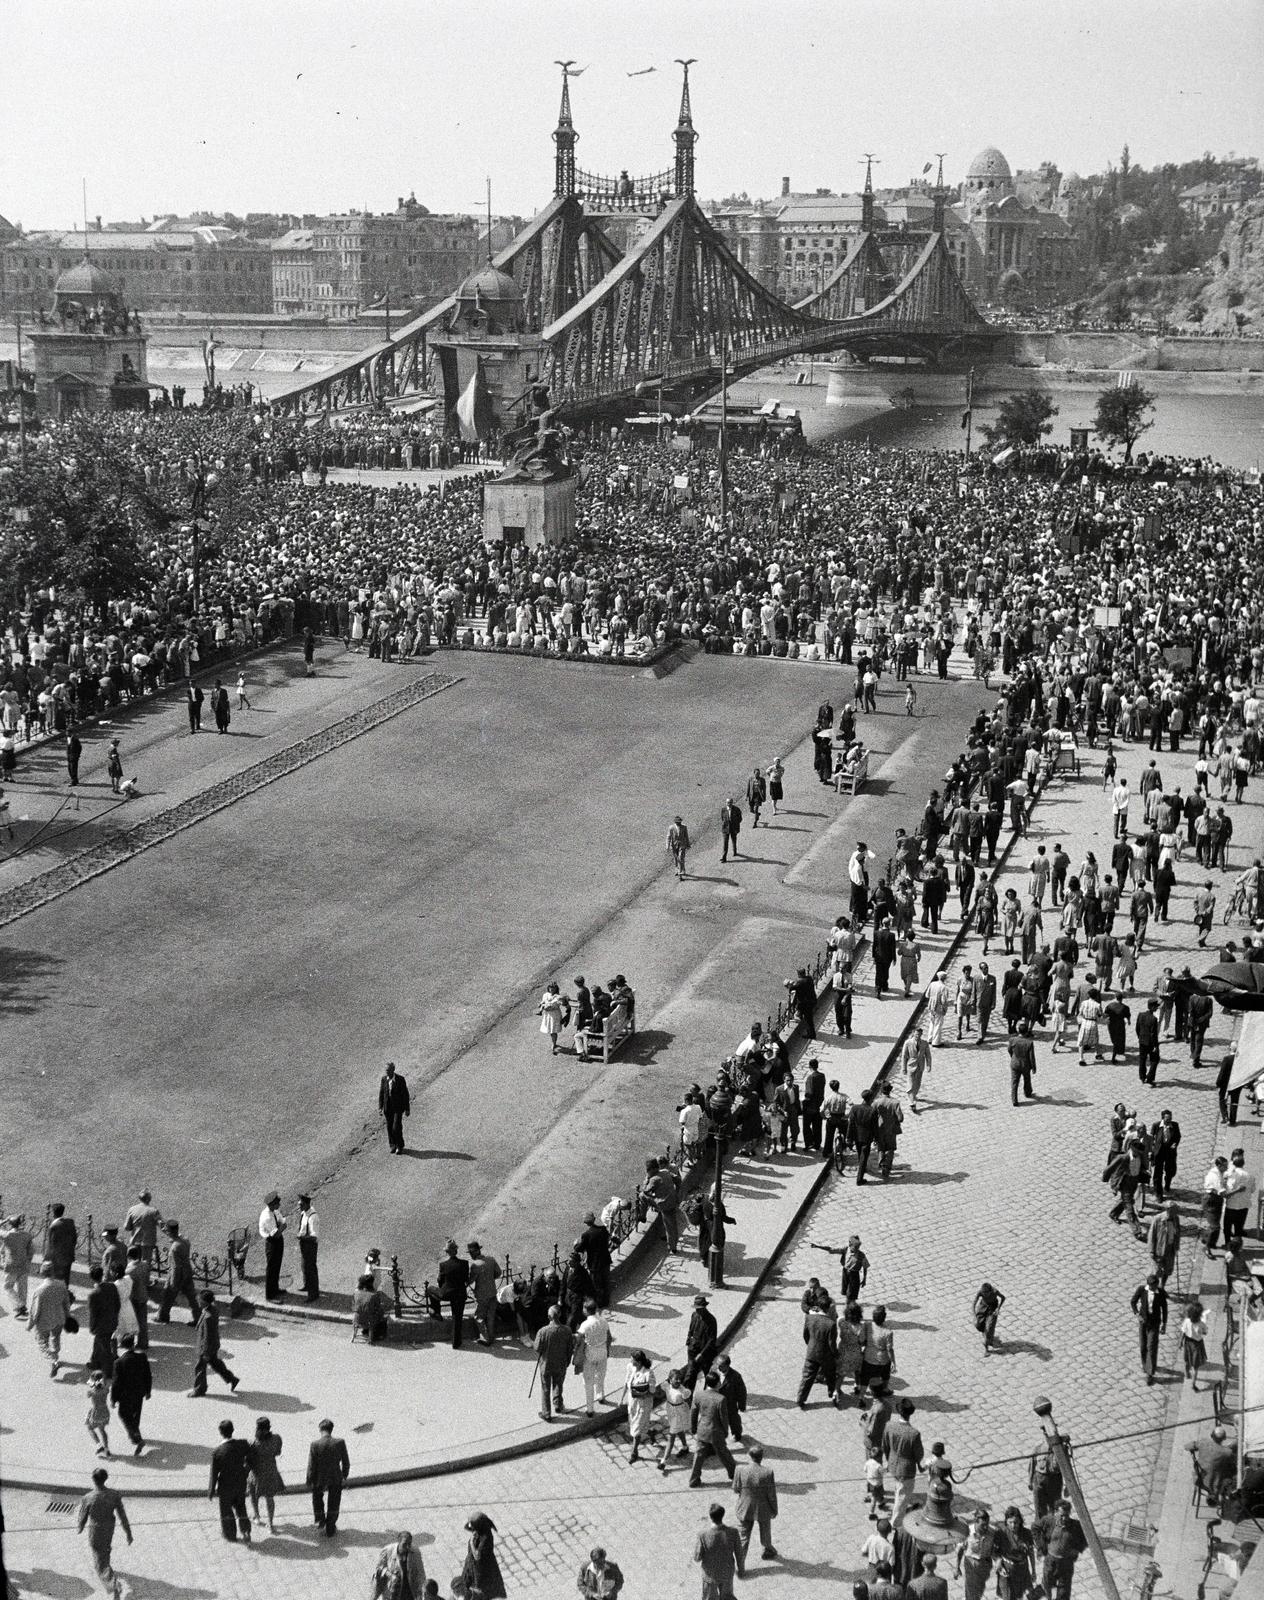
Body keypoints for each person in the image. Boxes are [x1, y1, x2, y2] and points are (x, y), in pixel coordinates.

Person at [77, 1468, 132, 1595]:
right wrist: (128, 1533)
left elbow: (82, 1517)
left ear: (93, 1479)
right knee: (105, 1550)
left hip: (95, 1531)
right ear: (106, 1479)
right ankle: (108, 1571)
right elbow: (122, 1516)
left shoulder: (88, 1497)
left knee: (98, 1561)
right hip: (108, 1529)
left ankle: (113, 1584)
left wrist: (80, 1527)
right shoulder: (114, 1495)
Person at [209, 1418, 254, 1543]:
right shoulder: (242, 1444)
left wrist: (211, 1490)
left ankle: (230, 1534)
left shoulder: (217, 1452)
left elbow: (214, 1473)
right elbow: (252, 1454)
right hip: (240, 1483)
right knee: (241, 1507)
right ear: (233, 1430)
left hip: (225, 1487)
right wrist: (246, 1470)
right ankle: (246, 1531)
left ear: (220, 1432)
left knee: (226, 1511)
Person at [690, 1369, 737, 1487]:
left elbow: (693, 1412)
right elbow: (724, 1418)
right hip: (716, 1432)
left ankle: (693, 1480)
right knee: (724, 1454)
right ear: (717, 1384)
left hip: (702, 1430)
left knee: (698, 1456)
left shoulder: (698, 1395)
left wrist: (693, 1428)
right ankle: (734, 1474)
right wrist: (725, 1432)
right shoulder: (720, 1399)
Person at [883, 1398, 925, 1529]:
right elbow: (919, 1454)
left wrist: (889, 1459)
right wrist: (918, 1463)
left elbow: (885, 1445)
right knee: (901, 1499)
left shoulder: (889, 1426)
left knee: (899, 1489)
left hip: (893, 1463)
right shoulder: (914, 1434)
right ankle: (895, 1524)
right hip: (906, 1470)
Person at [732, 1442, 779, 1561]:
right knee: (765, 1531)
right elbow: (771, 1494)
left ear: (749, 1455)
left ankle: (739, 1562)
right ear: (761, 1457)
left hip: (745, 1507)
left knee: (743, 1537)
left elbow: (736, 1489)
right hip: (763, 1508)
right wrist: (774, 1510)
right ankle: (767, 1550)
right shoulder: (767, 1472)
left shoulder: (740, 1469)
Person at [1033, 1501, 1087, 1600]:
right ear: (1056, 1512)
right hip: (1050, 1560)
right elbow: (1035, 1528)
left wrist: (1077, 1549)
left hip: (1066, 1562)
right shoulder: (1048, 1521)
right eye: (1062, 1515)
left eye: (1067, 1515)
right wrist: (1041, 1545)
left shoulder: (1075, 1525)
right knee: (1047, 1584)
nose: (1064, 1518)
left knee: (1064, 1590)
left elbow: (1086, 1538)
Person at [306, 1417, 350, 1537]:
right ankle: (331, 1526)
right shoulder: (340, 1442)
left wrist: (309, 1479)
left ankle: (320, 1520)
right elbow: (346, 1461)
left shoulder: (315, 1444)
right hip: (335, 1476)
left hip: (319, 1477)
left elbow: (311, 1464)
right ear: (331, 1430)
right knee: (334, 1502)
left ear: (320, 1430)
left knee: (317, 1498)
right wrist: (344, 1474)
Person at [190, 1290, 239, 1396]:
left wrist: (205, 1352)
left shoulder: (208, 1316)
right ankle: (232, 1379)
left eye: (199, 1300)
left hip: (206, 1346)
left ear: (205, 1302)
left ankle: (199, 1389)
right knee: (215, 1363)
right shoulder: (211, 1309)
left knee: (200, 1367)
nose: (198, 1301)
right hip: (213, 1344)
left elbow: (208, 1336)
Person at [110, 1334, 152, 1456]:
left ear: (121, 1346)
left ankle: (137, 1437)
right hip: (139, 1392)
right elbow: (148, 1375)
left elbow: (116, 1383)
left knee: (123, 1414)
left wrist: (113, 1399)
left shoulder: (119, 1362)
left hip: (125, 1395)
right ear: (133, 1345)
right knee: (135, 1414)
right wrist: (148, 1391)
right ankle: (134, 1434)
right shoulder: (142, 1357)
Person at [28, 1259, 72, 1375]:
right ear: (53, 1272)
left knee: (42, 1342)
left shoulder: (39, 1291)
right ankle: (56, 1356)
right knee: (55, 1338)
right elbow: (66, 1303)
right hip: (59, 1318)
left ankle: (52, 1360)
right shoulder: (61, 1285)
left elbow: (35, 1311)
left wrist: (30, 1325)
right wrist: (67, 1315)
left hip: (44, 1322)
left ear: (42, 1273)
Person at [534, 1303, 575, 1422]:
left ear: (549, 1317)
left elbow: (537, 1348)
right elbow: (570, 1348)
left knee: (545, 1388)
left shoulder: (543, 1331)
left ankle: (546, 1413)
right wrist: (567, 1361)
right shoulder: (567, 1330)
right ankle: (558, 1404)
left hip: (546, 1364)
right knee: (558, 1384)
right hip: (561, 1363)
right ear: (560, 1315)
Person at [694, 1502, 744, 1597]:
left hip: (710, 1575)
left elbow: (697, 1558)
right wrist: (741, 1569)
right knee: (727, 1597)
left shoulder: (703, 1534)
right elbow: (739, 1553)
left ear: (711, 1517)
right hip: (727, 1572)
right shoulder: (733, 1532)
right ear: (722, 1516)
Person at [461, 1511, 507, 1600]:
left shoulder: (486, 1538)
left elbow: (477, 1556)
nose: (472, 1529)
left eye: (474, 1527)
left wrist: (471, 1543)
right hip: (472, 1564)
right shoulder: (480, 1528)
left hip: (481, 1569)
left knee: (481, 1589)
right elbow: (468, 1526)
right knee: (466, 1583)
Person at [248, 1417, 283, 1533]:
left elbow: (249, 1460)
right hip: (271, 1471)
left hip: (256, 1473)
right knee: (269, 1498)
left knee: (253, 1494)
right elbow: (278, 1452)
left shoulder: (254, 1443)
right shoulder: (276, 1439)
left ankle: (257, 1516)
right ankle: (270, 1524)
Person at [577, 1298, 611, 1416]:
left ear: (586, 1310)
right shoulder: (603, 1321)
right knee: (601, 1375)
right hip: (602, 1351)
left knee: (588, 1381)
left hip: (590, 1353)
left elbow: (579, 1338)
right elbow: (609, 1336)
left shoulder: (585, 1324)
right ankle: (600, 1395)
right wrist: (608, 1350)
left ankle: (590, 1409)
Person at [434, 1238, 470, 1348]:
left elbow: (440, 1281)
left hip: (447, 1293)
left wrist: (443, 1287)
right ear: (456, 1251)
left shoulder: (443, 1265)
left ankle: (436, 1311)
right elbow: (465, 1279)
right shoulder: (464, 1263)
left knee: (430, 1289)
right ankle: (456, 1342)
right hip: (460, 1293)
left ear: (447, 1252)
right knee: (457, 1317)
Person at [623, 1347, 657, 1461]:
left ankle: (634, 1452)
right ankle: (651, 1433)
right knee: (638, 1426)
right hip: (632, 1403)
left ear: (639, 1362)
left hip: (643, 1405)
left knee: (636, 1430)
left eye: (632, 1360)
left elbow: (652, 1390)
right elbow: (626, 1383)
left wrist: (641, 1391)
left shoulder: (648, 1373)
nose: (630, 1361)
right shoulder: (631, 1368)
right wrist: (622, 1398)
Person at [371, 1531, 428, 1600]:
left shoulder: (415, 1552)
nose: (407, 1547)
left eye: (409, 1544)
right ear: (399, 1541)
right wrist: (390, 1575)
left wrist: (421, 1592)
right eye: (404, 1544)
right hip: (392, 1591)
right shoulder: (387, 1551)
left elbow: (421, 1573)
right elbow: (379, 1567)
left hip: (409, 1591)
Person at [955, 1509, 997, 1600]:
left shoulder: (992, 1532)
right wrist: (957, 1567)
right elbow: (960, 1550)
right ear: (976, 1522)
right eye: (983, 1525)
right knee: (971, 1589)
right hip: (971, 1564)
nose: (986, 1527)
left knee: (980, 1588)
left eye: (987, 1524)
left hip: (985, 1564)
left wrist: (998, 1563)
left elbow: (994, 1550)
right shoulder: (966, 1532)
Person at [659, 1367, 693, 1470]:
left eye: (680, 1379)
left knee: (671, 1436)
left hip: (679, 1413)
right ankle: (685, 1447)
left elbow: (688, 1399)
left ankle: (664, 1461)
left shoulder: (683, 1391)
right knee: (679, 1430)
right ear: (670, 1380)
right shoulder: (667, 1386)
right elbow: (662, 1386)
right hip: (671, 1411)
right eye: (676, 1379)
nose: (678, 1381)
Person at [259, 1192, 286, 1300]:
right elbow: (276, 1234)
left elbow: (282, 1221)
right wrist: (282, 1227)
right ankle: (270, 1295)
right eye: (277, 1203)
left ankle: (275, 1289)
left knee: (277, 1266)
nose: (279, 1205)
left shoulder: (274, 1211)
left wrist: (281, 1226)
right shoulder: (267, 1217)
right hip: (272, 1242)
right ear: (272, 1204)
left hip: (278, 1241)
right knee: (271, 1268)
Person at [379, 1060, 411, 1153]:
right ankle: (392, 1145)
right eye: (386, 1070)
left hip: (398, 1108)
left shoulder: (400, 1079)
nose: (387, 1072)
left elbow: (405, 1095)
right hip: (388, 1107)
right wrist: (380, 1107)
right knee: (389, 1127)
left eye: (389, 1070)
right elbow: (381, 1093)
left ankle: (399, 1146)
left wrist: (407, 1109)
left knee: (396, 1127)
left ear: (393, 1070)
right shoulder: (384, 1079)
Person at [686, 1292, 718, 1383]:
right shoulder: (694, 1315)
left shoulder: (711, 1320)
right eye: (696, 1309)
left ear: (704, 1307)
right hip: (693, 1349)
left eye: (699, 1309)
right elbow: (691, 1329)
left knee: (707, 1374)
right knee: (690, 1373)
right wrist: (688, 1341)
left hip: (705, 1352)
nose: (697, 1311)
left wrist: (702, 1354)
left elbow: (712, 1339)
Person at [353, 1272, 391, 1342]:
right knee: (383, 1317)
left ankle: (364, 1331)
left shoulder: (356, 1293)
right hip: (369, 1321)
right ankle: (375, 1336)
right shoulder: (374, 1295)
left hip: (357, 1319)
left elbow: (354, 1306)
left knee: (367, 1313)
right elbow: (378, 1309)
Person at [297, 1193, 320, 1302]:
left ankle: (313, 1294)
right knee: (304, 1266)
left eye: (301, 1204)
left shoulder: (313, 1217)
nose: (299, 1206)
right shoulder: (304, 1213)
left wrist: (301, 1237)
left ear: (307, 1204)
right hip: (304, 1244)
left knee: (310, 1269)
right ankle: (306, 1285)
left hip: (310, 1245)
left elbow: (314, 1237)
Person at [1181, 1299, 1209, 1389]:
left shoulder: (1187, 1321)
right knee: (1195, 1366)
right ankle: (1193, 1384)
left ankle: (1186, 1374)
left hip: (1187, 1342)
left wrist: (1181, 1342)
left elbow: (1183, 1332)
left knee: (1186, 1360)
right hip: (1197, 1344)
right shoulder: (1201, 1324)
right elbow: (1205, 1332)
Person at [85, 1368, 112, 1458]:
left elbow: (88, 1394)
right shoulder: (106, 1390)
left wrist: (92, 1384)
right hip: (105, 1411)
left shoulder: (92, 1392)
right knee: (102, 1430)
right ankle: (107, 1449)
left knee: (90, 1427)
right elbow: (106, 1386)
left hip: (96, 1412)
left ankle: (99, 1446)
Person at [973, 1282, 1006, 1352]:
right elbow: (974, 1304)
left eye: (986, 1293)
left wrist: (998, 1308)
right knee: (978, 1324)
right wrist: (974, 1315)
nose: (985, 1294)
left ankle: (988, 1342)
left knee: (990, 1326)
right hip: (983, 1306)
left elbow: (1003, 1298)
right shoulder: (980, 1292)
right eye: (983, 1293)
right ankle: (986, 1334)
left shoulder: (995, 1292)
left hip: (992, 1308)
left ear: (990, 1291)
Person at [1008, 1024, 1037, 1105]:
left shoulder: (1012, 1040)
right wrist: (1034, 1067)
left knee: (1014, 1082)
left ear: (1018, 1031)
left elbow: (1009, 1050)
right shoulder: (1029, 1043)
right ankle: (1027, 1093)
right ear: (1026, 1032)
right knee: (1027, 1079)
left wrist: (1013, 1057)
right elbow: (1031, 1057)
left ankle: (1014, 1100)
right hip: (1025, 1065)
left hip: (1015, 1063)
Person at [668, 815, 691, 879]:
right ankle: (677, 869)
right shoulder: (671, 827)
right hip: (674, 845)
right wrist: (668, 845)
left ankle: (681, 871)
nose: (679, 823)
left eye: (680, 822)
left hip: (682, 844)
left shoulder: (684, 827)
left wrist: (688, 844)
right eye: (678, 822)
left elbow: (686, 836)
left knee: (681, 857)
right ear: (675, 822)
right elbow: (668, 836)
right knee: (676, 858)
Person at [721, 796, 742, 862]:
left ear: (732, 803)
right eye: (728, 802)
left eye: (730, 802)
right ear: (726, 803)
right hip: (725, 829)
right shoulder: (723, 809)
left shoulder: (736, 809)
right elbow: (722, 818)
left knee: (734, 840)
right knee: (725, 843)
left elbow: (740, 819)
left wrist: (735, 824)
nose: (729, 804)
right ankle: (724, 857)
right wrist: (725, 824)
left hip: (733, 828)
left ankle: (734, 851)